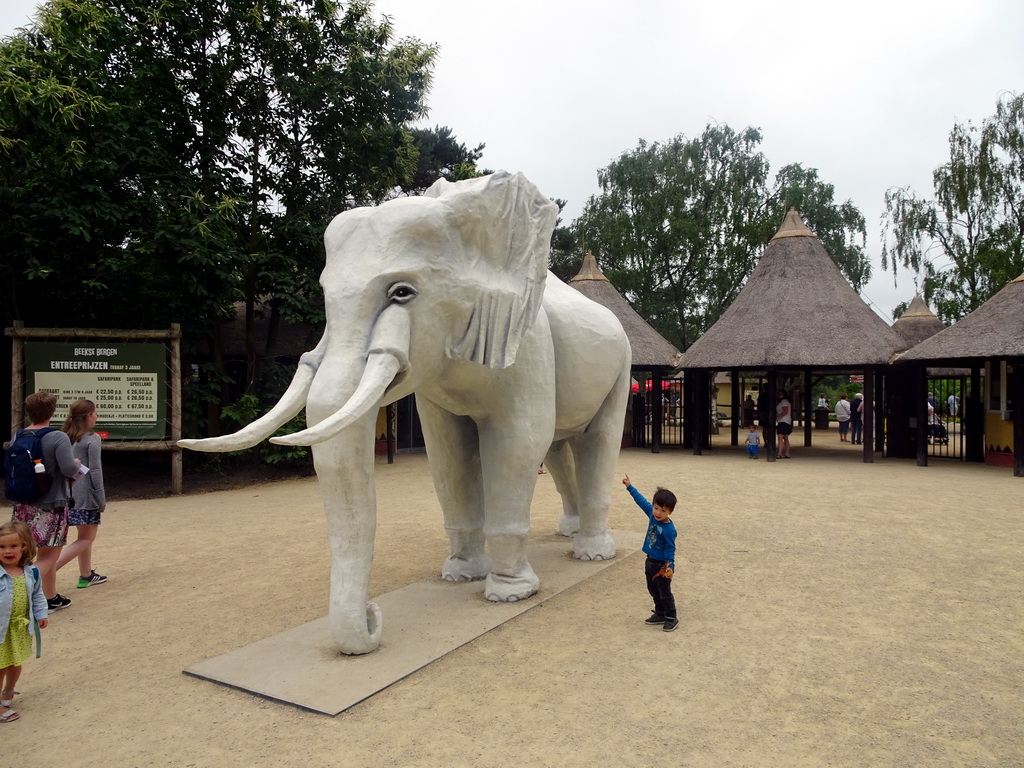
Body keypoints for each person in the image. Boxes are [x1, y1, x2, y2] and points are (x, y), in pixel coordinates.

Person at [9, 392, 79, 613]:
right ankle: (16, 589)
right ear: (52, 412)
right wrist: (76, 463)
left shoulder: (17, 436)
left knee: (30, 550)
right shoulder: (58, 437)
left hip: (23, 503)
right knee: (50, 554)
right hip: (51, 502)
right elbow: (68, 469)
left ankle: (50, 597)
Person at [0, 520, 50, 724]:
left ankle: (8, 694)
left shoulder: (31, 572)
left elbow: (37, 595)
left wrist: (41, 614)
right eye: (2, 546)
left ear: (24, 547)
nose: (7, 551)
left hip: (19, 629)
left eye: (13, 546)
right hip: (1, 630)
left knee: (15, 663)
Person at [55, 400, 107, 589]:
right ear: (88, 416)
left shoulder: (63, 437)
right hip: (86, 495)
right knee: (87, 538)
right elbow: (95, 470)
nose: (97, 416)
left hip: (66, 493)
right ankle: (48, 569)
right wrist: (100, 497)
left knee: (83, 535)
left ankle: (86, 574)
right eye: (95, 413)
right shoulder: (92, 438)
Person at [622, 474, 678, 632]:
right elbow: (641, 501)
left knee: (665, 592)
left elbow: (670, 549)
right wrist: (629, 487)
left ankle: (671, 617)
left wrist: (670, 566)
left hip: (662, 565)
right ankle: (660, 613)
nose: (658, 513)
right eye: (656, 508)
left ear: (670, 512)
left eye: (663, 510)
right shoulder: (652, 515)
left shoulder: (669, 530)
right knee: (653, 589)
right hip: (650, 561)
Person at [775, 390, 792, 458]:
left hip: (783, 421)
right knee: (785, 438)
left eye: (780, 394)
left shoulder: (784, 402)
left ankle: (780, 453)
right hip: (786, 421)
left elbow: (785, 411)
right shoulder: (784, 401)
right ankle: (787, 453)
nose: (779, 395)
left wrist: (777, 416)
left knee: (780, 437)